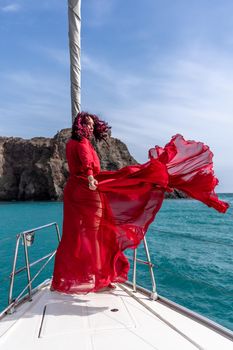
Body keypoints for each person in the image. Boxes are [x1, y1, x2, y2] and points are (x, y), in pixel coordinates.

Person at [51, 112, 229, 294]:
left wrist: (89, 177)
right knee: (98, 235)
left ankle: (67, 278)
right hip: (87, 190)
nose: (90, 128)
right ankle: (100, 278)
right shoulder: (82, 144)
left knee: (74, 235)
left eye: (91, 125)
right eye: (87, 125)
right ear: (80, 125)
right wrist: (90, 177)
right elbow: (86, 161)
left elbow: (81, 163)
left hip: (75, 191)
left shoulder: (71, 143)